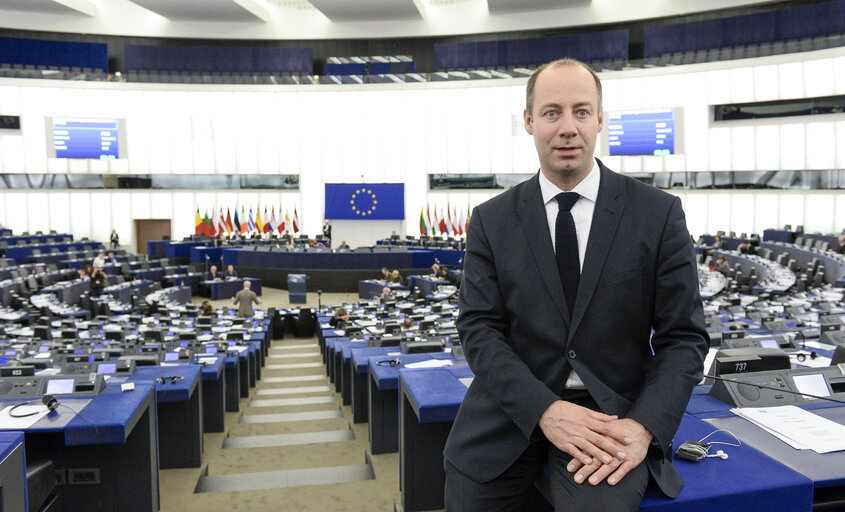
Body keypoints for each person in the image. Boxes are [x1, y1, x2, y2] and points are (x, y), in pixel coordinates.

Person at [443, 58, 708, 512]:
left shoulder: (658, 214)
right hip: (513, 405)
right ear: (528, 122)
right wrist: (545, 410)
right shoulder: (492, 219)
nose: (568, 128)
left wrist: (643, 426)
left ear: (600, 119)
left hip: (612, 417)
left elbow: (683, 338)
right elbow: (480, 330)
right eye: (552, 113)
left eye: (582, 112)